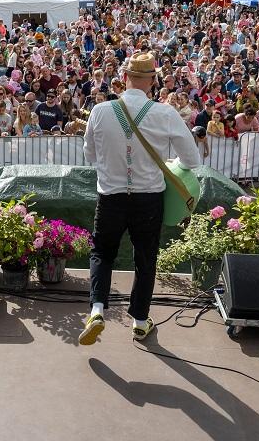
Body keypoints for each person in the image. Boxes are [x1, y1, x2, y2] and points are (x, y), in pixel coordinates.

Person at [80, 53, 201, 346]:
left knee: (102, 253)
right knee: (145, 259)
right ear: (152, 81)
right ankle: (140, 321)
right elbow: (192, 160)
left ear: (124, 78)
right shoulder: (165, 113)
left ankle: (97, 309)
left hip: (110, 196)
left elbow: (90, 156)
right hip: (148, 198)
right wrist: (168, 163)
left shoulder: (100, 111)